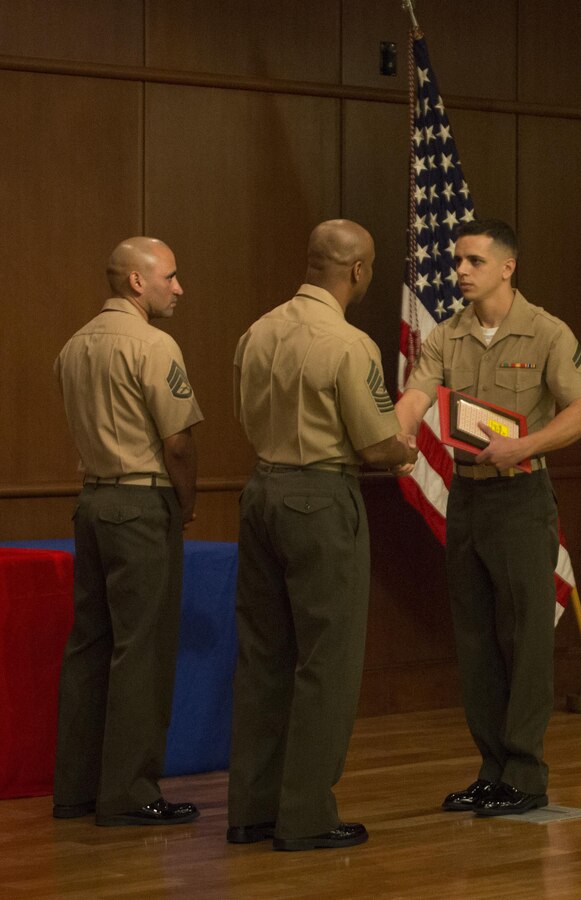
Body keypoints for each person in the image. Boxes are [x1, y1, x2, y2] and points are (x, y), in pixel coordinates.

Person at [396, 219, 581, 816]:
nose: (459, 270)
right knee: (477, 637)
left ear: (507, 268)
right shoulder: (447, 335)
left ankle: (526, 774)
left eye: (474, 262)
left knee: (526, 638)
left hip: (520, 498)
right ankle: (491, 769)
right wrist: (401, 428)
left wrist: (526, 445)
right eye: (458, 260)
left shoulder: (545, 332)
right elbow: (416, 392)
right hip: (469, 498)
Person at [227, 219, 418, 851]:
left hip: (259, 492)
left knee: (263, 657)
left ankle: (252, 811)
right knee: (326, 662)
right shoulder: (349, 343)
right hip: (320, 499)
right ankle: (306, 816)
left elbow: (241, 412)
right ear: (358, 271)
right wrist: (408, 447)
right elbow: (375, 444)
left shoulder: (257, 330)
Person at [52, 237, 204, 827]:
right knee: (141, 650)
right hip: (141, 506)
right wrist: (184, 505)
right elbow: (179, 441)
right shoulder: (153, 344)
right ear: (137, 282)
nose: (179, 287)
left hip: (90, 503)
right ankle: (132, 793)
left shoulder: (73, 346)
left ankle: (77, 791)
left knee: (89, 646)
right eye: (170, 275)